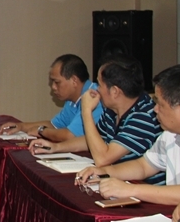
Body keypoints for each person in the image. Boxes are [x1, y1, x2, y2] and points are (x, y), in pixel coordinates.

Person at [76, 64, 180, 204]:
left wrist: (130, 190)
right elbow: (143, 166)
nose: (155, 109)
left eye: (160, 104)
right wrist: (105, 172)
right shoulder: (171, 134)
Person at [30, 55, 163, 183]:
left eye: (99, 84)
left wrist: (86, 111)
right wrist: (56, 147)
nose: (96, 89)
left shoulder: (144, 116)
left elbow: (102, 159)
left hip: (143, 187)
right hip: (120, 180)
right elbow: (93, 139)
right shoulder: (112, 110)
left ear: (115, 91)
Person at [0, 54, 102, 142]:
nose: (53, 87)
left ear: (74, 80)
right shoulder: (72, 99)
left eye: (57, 82)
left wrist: (41, 130)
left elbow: (69, 136)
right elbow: (54, 125)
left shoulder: (95, 97)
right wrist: (21, 126)